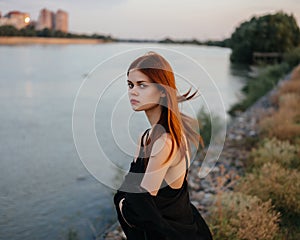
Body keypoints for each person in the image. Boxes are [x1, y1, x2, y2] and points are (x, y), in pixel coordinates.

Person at [113, 51, 213, 240]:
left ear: (161, 90)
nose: (132, 91)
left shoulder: (165, 142)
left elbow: (140, 210)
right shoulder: (146, 137)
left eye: (142, 85)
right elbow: (132, 193)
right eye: (130, 84)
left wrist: (121, 203)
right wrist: (125, 199)